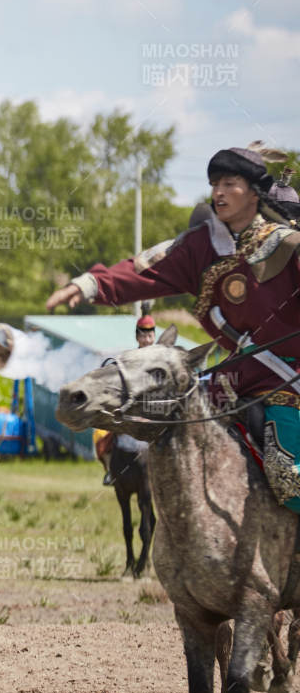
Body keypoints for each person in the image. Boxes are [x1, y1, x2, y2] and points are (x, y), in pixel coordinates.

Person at [46, 145, 300, 510]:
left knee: (287, 475)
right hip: (231, 379)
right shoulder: (201, 246)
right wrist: (88, 285)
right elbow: (145, 270)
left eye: (229, 183)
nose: (219, 192)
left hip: (288, 381)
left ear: (254, 192)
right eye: (214, 184)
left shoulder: (288, 245)